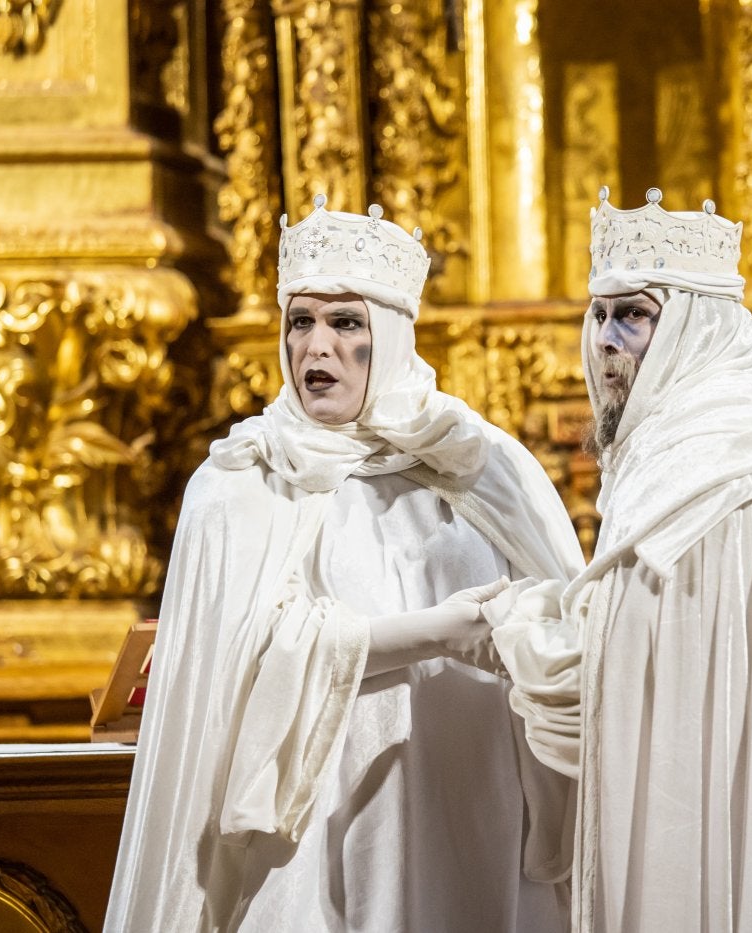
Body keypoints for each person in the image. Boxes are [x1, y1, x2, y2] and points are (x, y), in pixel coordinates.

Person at [103, 196, 582, 932]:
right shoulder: (239, 482)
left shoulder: (480, 462)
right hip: (311, 821)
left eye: (345, 323)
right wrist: (440, 632)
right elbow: (249, 662)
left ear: (388, 336)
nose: (316, 348)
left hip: (470, 803)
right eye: (301, 322)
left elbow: (565, 620)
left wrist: (531, 634)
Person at [488, 188, 752, 932]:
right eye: (599, 314)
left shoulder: (711, 469)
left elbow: (625, 680)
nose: (607, 341)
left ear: (696, 327)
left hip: (706, 819)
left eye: (635, 315)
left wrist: (516, 625)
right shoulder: (716, 448)